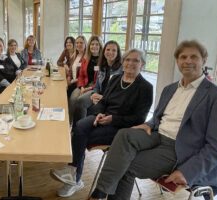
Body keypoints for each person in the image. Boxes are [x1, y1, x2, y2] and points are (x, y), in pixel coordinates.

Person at [88, 40, 217, 200]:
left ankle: (100, 192)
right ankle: (101, 191)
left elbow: (216, 147)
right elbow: (158, 118)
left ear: (204, 60)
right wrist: (147, 124)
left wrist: (188, 171)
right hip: (156, 135)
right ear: (177, 61)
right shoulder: (170, 89)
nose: (187, 61)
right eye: (183, 57)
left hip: (179, 148)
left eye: (194, 57)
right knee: (124, 134)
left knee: (125, 166)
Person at [51, 49, 153, 197]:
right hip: (103, 117)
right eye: (127, 59)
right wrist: (98, 113)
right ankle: (73, 172)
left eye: (136, 60)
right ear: (123, 62)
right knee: (78, 127)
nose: (130, 63)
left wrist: (113, 119)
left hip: (121, 127)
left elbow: (139, 119)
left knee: (82, 137)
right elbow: (103, 101)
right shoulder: (115, 79)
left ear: (142, 64)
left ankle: (75, 177)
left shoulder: (145, 88)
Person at [69, 35, 103, 124]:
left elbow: (99, 81)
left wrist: (89, 88)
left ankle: (78, 125)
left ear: (100, 46)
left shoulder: (102, 60)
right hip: (83, 84)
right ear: (89, 46)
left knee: (80, 100)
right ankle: (69, 123)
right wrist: (81, 87)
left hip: (94, 88)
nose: (94, 46)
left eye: (97, 44)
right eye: (92, 44)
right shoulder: (86, 58)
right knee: (72, 99)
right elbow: (81, 75)